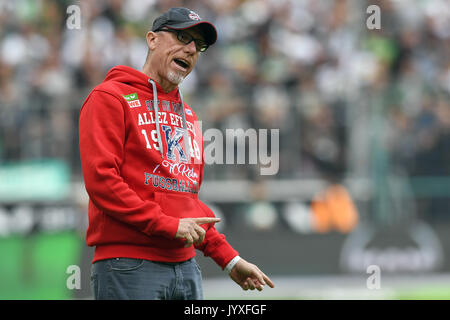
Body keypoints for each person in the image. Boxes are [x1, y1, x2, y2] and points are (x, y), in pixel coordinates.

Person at [79, 7, 274, 300]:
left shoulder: (189, 116)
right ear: (152, 39)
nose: (192, 48)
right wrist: (168, 225)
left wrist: (229, 259)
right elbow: (102, 182)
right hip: (129, 266)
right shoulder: (109, 98)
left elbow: (186, 202)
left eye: (199, 44)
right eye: (182, 36)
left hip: (185, 269)